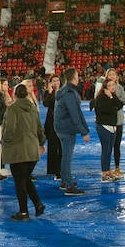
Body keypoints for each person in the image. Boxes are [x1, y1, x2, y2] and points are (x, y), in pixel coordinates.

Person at [0, 80, 46, 220]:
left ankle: (24, 212)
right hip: (32, 149)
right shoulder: (33, 107)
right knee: (25, 179)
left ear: (14, 95)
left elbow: (10, 129)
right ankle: (37, 204)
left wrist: (4, 140)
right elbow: (39, 128)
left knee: (20, 182)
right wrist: (41, 143)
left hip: (17, 150)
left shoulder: (12, 109)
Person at [52, 67, 90, 195]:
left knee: (65, 156)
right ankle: (68, 185)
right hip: (66, 128)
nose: (78, 78)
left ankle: (65, 180)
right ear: (74, 78)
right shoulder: (69, 93)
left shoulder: (64, 91)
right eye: (77, 76)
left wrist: (84, 129)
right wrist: (84, 131)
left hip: (61, 127)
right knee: (67, 156)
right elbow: (75, 114)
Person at [92, 74, 124, 181]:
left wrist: (112, 97)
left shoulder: (112, 96)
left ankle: (108, 170)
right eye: (110, 85)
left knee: (109, 149)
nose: (112, 87)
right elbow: (107, 109)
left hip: (112, 126)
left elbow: (119, 105)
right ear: (105, 87)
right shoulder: (101, 97)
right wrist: (111, 100)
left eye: (113, 85)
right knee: (105, 149)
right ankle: (104, 173)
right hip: (104, 126)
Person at [100, 67, 125, 177]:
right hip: (108, 122)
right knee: (108, 146)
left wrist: (115, 100)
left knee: (117, 145)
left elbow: (124, 100)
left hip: (118, 120)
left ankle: (117, 167)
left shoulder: (119, 88)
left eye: (114, 75)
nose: (112, 77)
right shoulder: (103, 90)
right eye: (110, 75)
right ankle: (107, 168)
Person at [42, 74, 63, 179]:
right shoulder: (48, 93)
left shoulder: (64, 91)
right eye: (53, 81)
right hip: (51, 123)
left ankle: (61, 169)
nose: (56, 82)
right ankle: (52, 170)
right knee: (52, 147)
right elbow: (46, 103)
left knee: (62, 147)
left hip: (62, 122)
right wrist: (50, 91)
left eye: (57, 80)